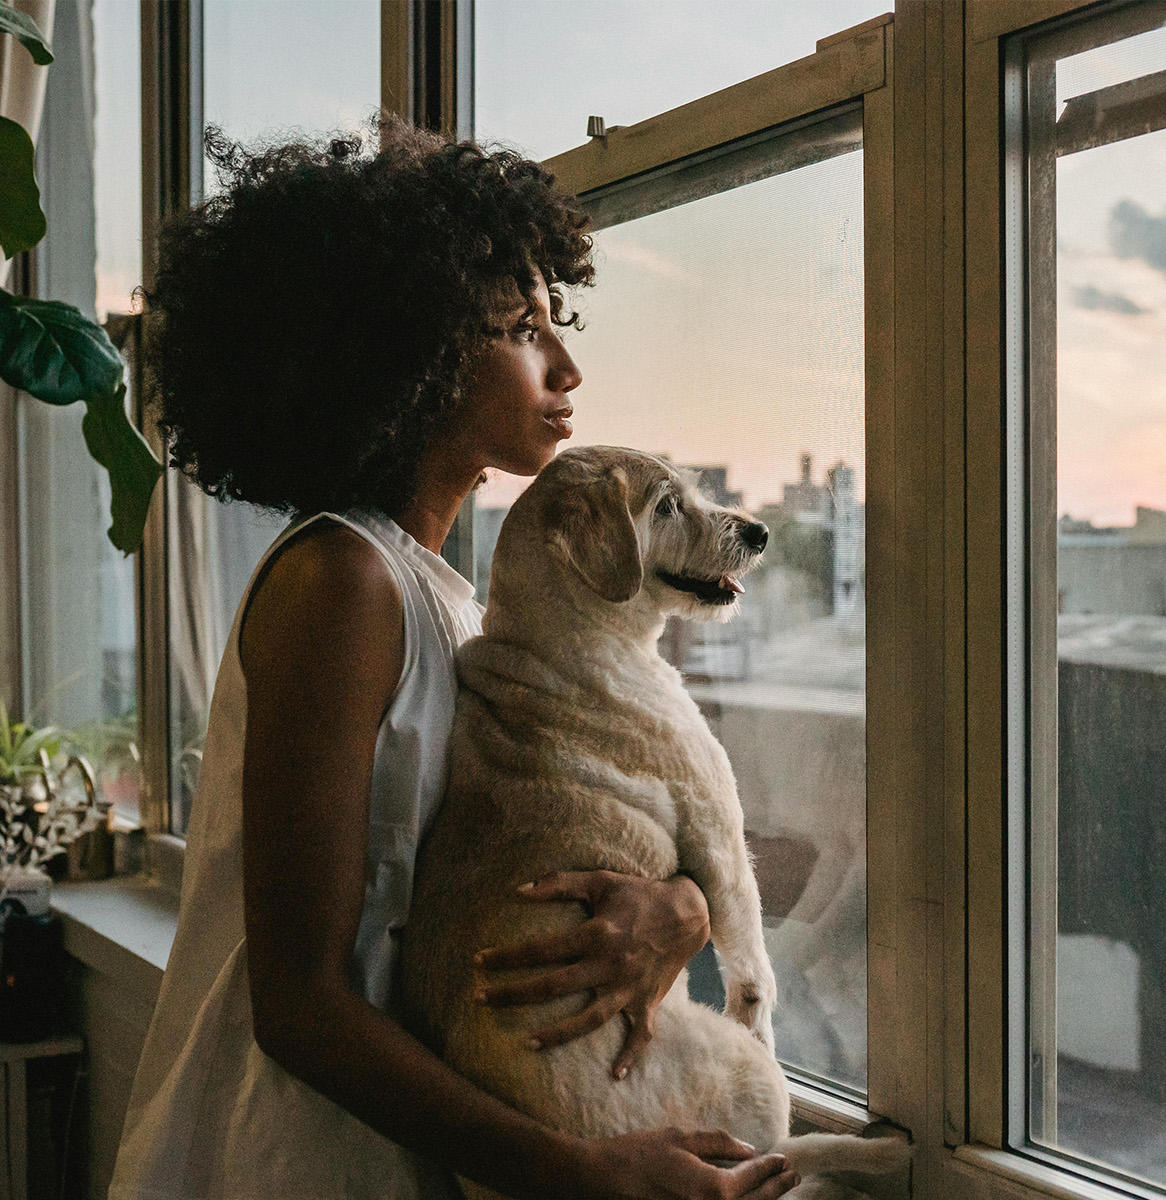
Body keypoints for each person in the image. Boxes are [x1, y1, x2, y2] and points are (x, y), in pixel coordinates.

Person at [108, 115, 800, 1200]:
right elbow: (300, 1004)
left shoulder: (443, 598)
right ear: (407, 353)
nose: (566, 364)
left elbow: (496, 864)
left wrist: (683, 907)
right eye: (523, 327)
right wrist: (579, 1174)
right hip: (304, 1154)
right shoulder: (339, 584)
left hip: (427, 1134)